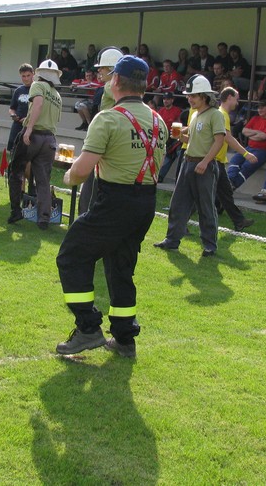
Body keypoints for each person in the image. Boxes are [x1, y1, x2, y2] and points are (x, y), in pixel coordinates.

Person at [55, 55, 166, 358]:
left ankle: (88, 327)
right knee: (121, 268)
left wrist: (68, 174)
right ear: (143, 85)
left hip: (114, 199)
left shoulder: (107, 118)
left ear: (116, 81)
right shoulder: (159, 121)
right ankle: (125, 337)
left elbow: (81, 171)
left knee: (71, 256)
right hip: (146, 201)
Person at [154, 74, 225, 257]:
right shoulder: (195, 115)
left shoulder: (215, 115)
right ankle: (172, 240)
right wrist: (181, 137)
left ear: (204, 96)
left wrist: (205, 162)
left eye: (193, 96)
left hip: (204, 165)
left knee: (206, 206)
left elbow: (219, 141)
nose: (189, 99)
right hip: (188, 161)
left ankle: (210, 245)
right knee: (178, 203)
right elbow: (194, 139)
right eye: (189, 95)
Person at [8, 59, 62, 229]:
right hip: (50, 139)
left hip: (34, 135)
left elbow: (37, 104)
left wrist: (29, 129)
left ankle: (16, 211)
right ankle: (44, 218)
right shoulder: (57, 95)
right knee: (43, 179)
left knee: (15, 171)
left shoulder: (37, 86)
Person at [77, 46, 123, 215]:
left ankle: (84, 218)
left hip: (105, 139)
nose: (99, 71)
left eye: (102, 68)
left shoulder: (112, 85)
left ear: (111, 69)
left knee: (91, 184)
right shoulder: (110, 85)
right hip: (108, 137)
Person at [215, 87, 256, 231]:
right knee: (205, 194)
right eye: (237, 99)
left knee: (225, 193)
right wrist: (246, 154)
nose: (237, 103)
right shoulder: (223, 115)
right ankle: (182, 220)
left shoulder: (221, 114)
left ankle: (239, 221)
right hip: (214, 161)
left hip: (217, 161)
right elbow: (228, 138)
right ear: (229, 98)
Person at [227, 101, 266, 189]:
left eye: (262, 108)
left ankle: (232, 185)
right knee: (235, 160)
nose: (259, 110)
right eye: (258, 108)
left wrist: (251, 135)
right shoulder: (255, 118)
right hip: (249, 148)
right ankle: (230, 180)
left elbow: (264, 136)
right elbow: (244, 131)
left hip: (263, 151)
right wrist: (257, 132)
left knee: (248, 166)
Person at [156, 93, 183, 183]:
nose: (165, 101)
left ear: (172, 100)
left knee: (179, 154)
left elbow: (179, 125)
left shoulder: (177, 110)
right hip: (163, 137)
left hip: (175, 139)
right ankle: (159, 176)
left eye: (167, 99)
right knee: (167, 156)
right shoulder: (161, 111)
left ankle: (179, 179)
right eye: (164, 99)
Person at [8, 63, 34, 150]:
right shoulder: (18, 90)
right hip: (17, 125)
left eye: (28, 75)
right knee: (13, 149)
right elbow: (12, 108)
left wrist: (28, 119)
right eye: (23, 76)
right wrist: (13, 115)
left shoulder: (37, 89)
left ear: (33, 74)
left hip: (31, 126)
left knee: (27, 151)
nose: (26, 78)